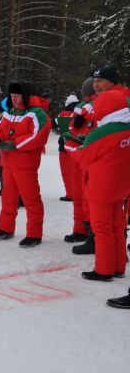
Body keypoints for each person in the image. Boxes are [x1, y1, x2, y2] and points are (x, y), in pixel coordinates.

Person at [0, 82, 51, 248]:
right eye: (12, 96)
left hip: (25, 164)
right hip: (8, 163)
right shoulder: (9, 111)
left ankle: (34, 234)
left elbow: (38, 136)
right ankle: (5, 228)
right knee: (8, 198)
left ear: (25, 95)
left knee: (31, 200)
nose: (14, 99)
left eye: (17, 95)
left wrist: (14, 144)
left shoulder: (37, 113)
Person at [76, 90, 130, 284]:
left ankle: (104, 270)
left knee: (102, 229)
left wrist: (71, 146)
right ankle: (118, 266)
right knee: (118, 226)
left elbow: (84, 158)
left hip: (101, 187)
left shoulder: (100, 133)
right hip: (121, 186)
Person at [63, 78, 96, 247]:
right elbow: (71, 128)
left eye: (87, 96)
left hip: (91, 158)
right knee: (78, 195)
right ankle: (80, 229)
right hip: (78, 157)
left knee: (91, 199)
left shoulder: (101, 106)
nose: (85, 99)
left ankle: (93, 234)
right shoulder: (81, 108)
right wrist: (73, 132)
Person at [57, 93, 79, 202]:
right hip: (77, 147)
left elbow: (54, 124)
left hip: (65, 148)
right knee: (77, 172)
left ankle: (70, 194)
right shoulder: (80, 113)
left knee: (67, 172)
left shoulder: (63, 114)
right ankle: (78, 193)